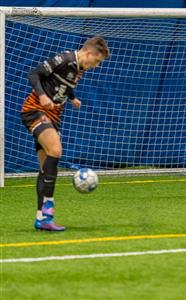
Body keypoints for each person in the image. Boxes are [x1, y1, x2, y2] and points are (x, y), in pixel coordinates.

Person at [21, 36, 110, 231]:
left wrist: (72, 98)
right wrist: (43, 96)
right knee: (56, 150)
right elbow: (34, 75)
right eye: (97, 61)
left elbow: (64, 84)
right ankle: (48, 214)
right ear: (89, 53)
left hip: (54, 115)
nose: (96, 66)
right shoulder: (64, 59)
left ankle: (40, 218)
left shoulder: (80, 69)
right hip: (36, 110)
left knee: (45, 168)